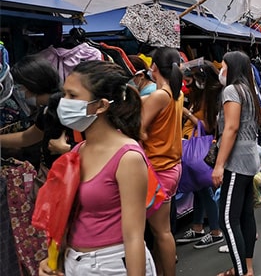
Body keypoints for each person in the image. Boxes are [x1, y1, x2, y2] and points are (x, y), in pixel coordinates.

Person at [39, 60, 155, 276]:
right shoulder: (77, 152)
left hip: (113, 266)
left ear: (101, 105)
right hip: (75, 261)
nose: (64, 103)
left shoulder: (128, 157)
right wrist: (53, 259)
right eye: (64, 94)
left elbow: (133, 238)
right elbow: (67, 215)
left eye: (73, 96)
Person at [211, 51, 261, 276]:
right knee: (245, 215)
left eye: (223, 66)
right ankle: (245, 268)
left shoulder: (231, 90)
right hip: (250, 157)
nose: (221, 71)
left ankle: (241, 272)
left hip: (237, 161)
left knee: (228, 220)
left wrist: (219, 165)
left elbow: (231, 129)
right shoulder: (249, 90)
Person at [140, 47, 184, 276]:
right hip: (172, 166)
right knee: (162, 232)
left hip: (158, 168)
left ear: (154, 67)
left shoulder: (160, 95)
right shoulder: (176, 93)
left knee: (161, 232)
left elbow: (139, 131)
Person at [176, 61, 225, 249]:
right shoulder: (201, 95)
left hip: (201, 148)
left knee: (205, 189)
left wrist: (187, 113)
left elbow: (208, 126)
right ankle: (197, 227)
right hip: (191, 144)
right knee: (199, 189)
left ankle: (215, 231)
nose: (189, 83)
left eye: (192, 79)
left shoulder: (212, 97)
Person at [0, 55, 69, 169]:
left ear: (32, 85)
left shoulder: (65, 107)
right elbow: (27, 137)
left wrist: (68, 149)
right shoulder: (46, 110)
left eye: (20, 87)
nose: (19, 92)